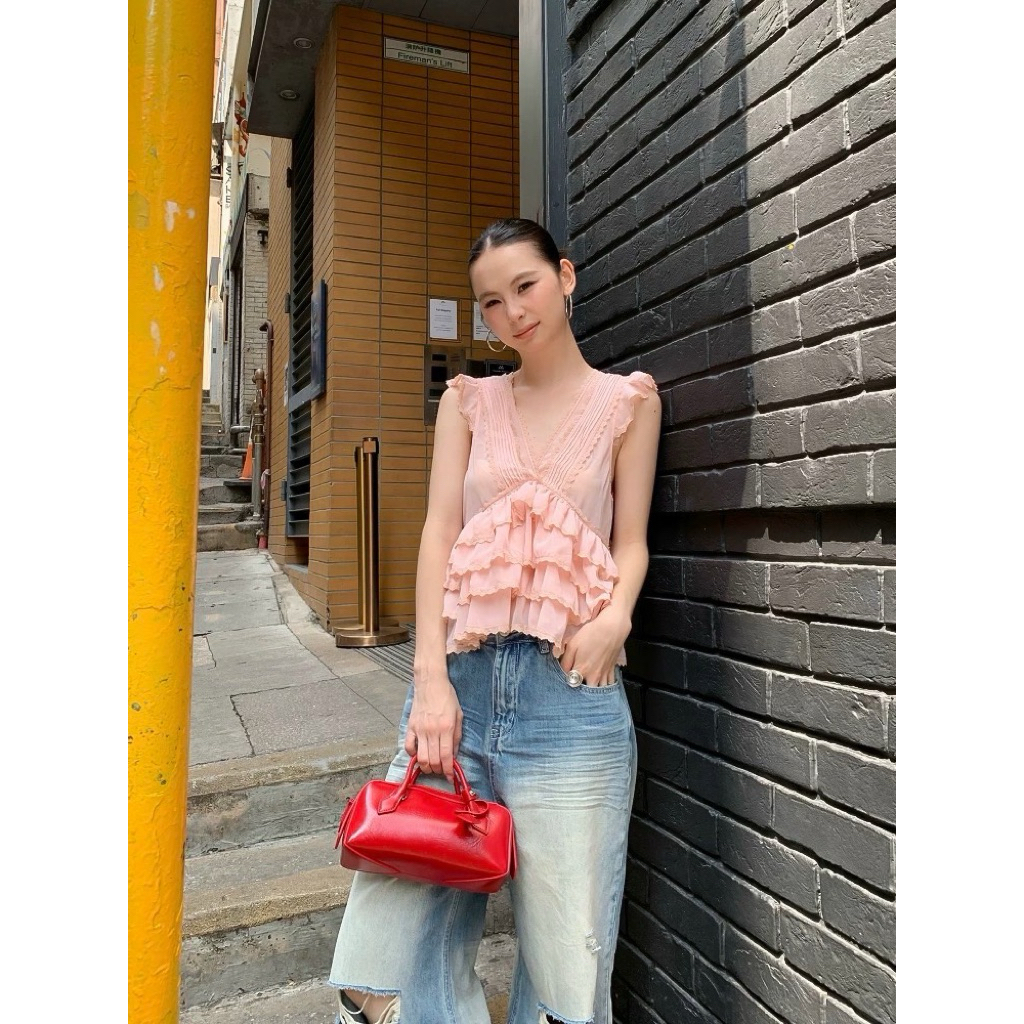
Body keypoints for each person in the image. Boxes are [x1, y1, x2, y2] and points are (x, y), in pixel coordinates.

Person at [329, 218, 661, 1024]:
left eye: (525, 286)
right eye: (490, 302)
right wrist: (429, 679)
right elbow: (439, 533)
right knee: (383, 968)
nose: (512, 312)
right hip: (460, 691)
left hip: (569, 699)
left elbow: (631, 541)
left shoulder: (628, 403)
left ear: (565, 277)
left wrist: (616, 618)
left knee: (567, 971)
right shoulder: (469, 403)